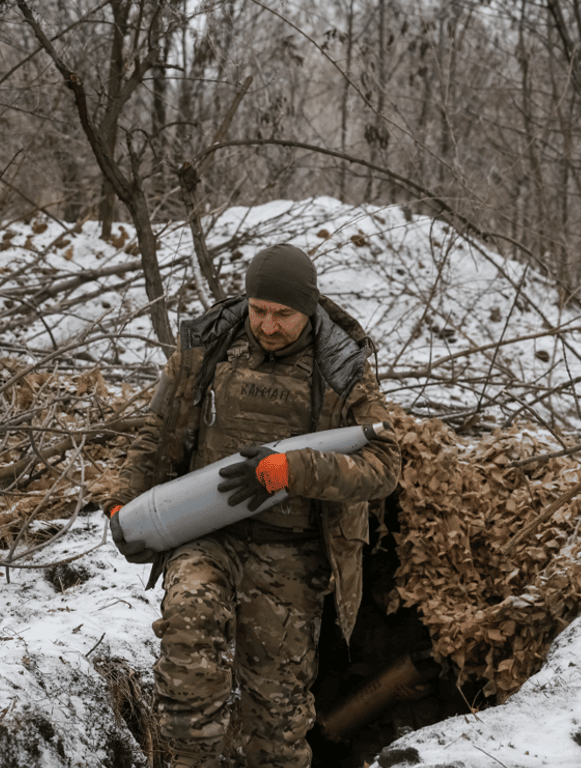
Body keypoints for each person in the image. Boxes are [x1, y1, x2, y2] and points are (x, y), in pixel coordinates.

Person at [101, 243, 400, 768]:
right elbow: (156, 432)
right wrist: (121, 500)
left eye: (283, 314)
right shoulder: (208, 349)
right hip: (206, 535)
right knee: (188, 653)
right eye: (259, 309)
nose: (268, 324)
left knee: (277, 723)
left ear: (309, 309)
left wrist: (296, 470)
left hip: (292, 554)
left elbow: (384, 464)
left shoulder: (341, 367)